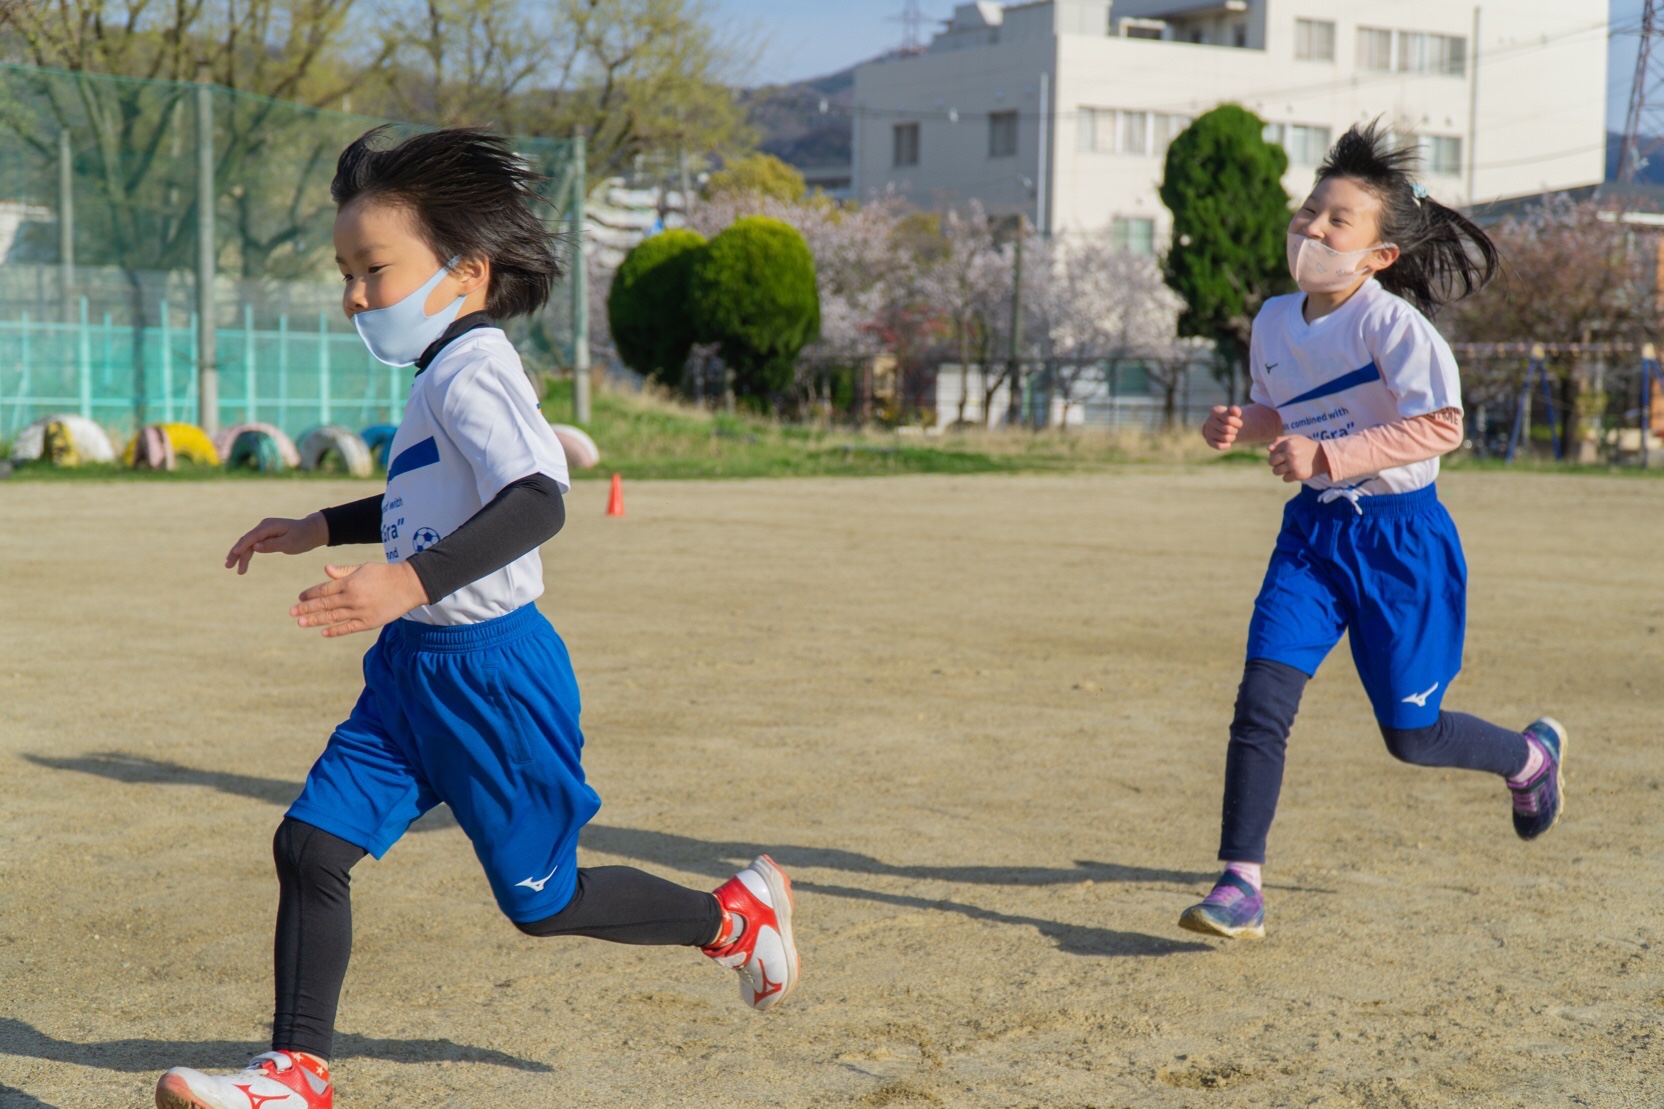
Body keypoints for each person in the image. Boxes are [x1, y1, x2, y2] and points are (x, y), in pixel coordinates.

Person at [155, 128, 799, 1109]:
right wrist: (321, 524)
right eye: (346, 273)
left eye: (372, 270)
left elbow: (538, 496)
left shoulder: (474, 368)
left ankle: (730, 917)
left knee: (544, 903)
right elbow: (433, 507)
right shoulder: (433, 377)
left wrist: (408, 583)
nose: (354, 296)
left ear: (465, 272)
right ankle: (293, 1071)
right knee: (311, 844)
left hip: (495, 676)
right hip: (411, 674)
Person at [1179, 123, 1566, 941]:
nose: (1312, 229)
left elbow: (1443, 425)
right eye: (1309, 211)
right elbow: (1285, 409)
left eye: (1337, 220)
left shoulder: (1397, 331)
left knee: (1412, 736)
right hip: (1314, 539)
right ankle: (1239, 882)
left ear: (1379, 255)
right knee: (1262, 700)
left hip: (1400, 542)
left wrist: (1329, 452)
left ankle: (1529, 759)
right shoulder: (1275, 319)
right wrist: (1244, 424)